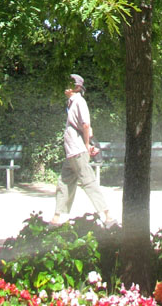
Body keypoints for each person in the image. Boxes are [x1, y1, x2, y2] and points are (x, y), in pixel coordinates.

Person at [50, 73, 117, 227]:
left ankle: (107, 217)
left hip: (77, 150)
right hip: (72, 151)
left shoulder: (79, 102)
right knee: (64, 183)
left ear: (77, 87)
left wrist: (87, 145)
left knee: (88, 182)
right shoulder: (71, 103)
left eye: (69, 83)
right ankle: (57, 218)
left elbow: (86, 125)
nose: (65, 86)